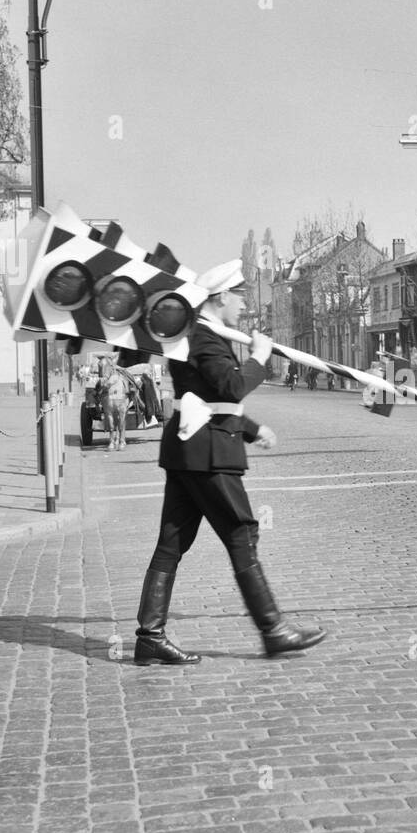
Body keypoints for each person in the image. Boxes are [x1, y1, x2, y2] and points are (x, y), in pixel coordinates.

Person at [133, 261, 325, 665]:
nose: (243, 304)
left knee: (171, 544)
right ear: (220, 297)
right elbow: (232, 386)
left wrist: (253, 430)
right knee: (240, 534)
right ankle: (273, 630)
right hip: (209, 456)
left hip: (192, 450)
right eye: (239, 295)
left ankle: (149, 636)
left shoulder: (197, 335)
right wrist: (260, 358)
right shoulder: (203, 337)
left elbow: (208, 399)